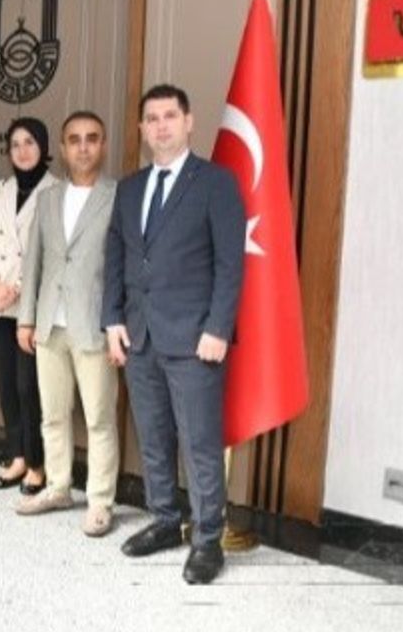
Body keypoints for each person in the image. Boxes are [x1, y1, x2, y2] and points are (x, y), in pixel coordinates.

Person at [102, 84, 246, 584]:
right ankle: (165, 520)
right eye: (152, 118)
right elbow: (116, 258)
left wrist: (218, 328)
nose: (161, 126)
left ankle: (207, 541)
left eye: (170, 116)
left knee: (199, 444)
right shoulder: (129, 188)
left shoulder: (216, 183)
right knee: (154, 437)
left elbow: (230, 264)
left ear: (188, 122)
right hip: (139, 337)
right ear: (142, 129)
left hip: (195, 340)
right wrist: (112, 320)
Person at [14, 111, 120, 537]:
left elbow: (121, 267)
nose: (83, 147)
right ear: (62, 147)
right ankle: (58, 487)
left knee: (98, 419)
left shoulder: (118, 196)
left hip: (94, 325)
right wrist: (26, 319)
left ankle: (100, 501)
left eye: (92, 138)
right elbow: (34, 262)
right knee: (53, 415)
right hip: (49, 325)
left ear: (103, 145)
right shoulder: (48, 198)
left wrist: (117, 322)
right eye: (74, 139)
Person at [0, 117, 57, 494]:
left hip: (31, 303)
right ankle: (17, 456)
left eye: (30, 142)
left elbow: (52, 250)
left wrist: (19, 288)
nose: (22, 150)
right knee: (6, 384)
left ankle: (37, 463)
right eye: (16, 144)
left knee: (29, 387)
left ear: (44, 147)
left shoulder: (57, 190)